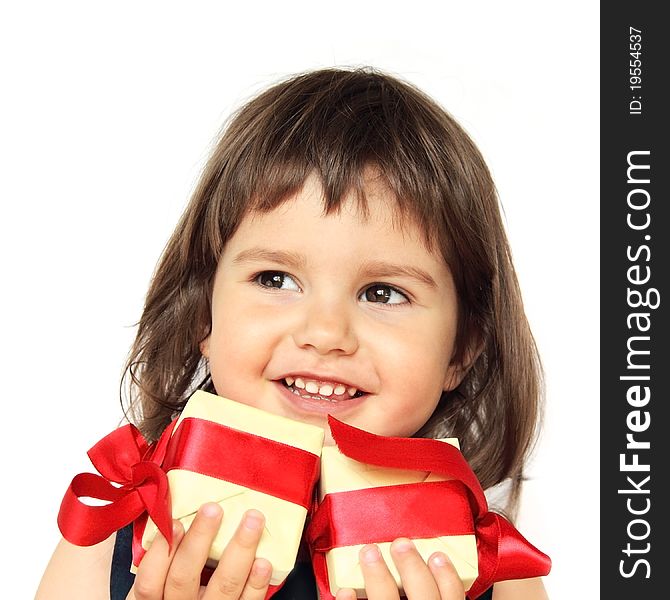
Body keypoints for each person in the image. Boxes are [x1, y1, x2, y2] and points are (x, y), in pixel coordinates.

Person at [36, 67, 549, 600]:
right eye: (275, 279)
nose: (326, 333)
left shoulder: (499, 571)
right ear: (202, 318)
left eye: (382, 293)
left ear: (462, 349)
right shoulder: (109, 531)